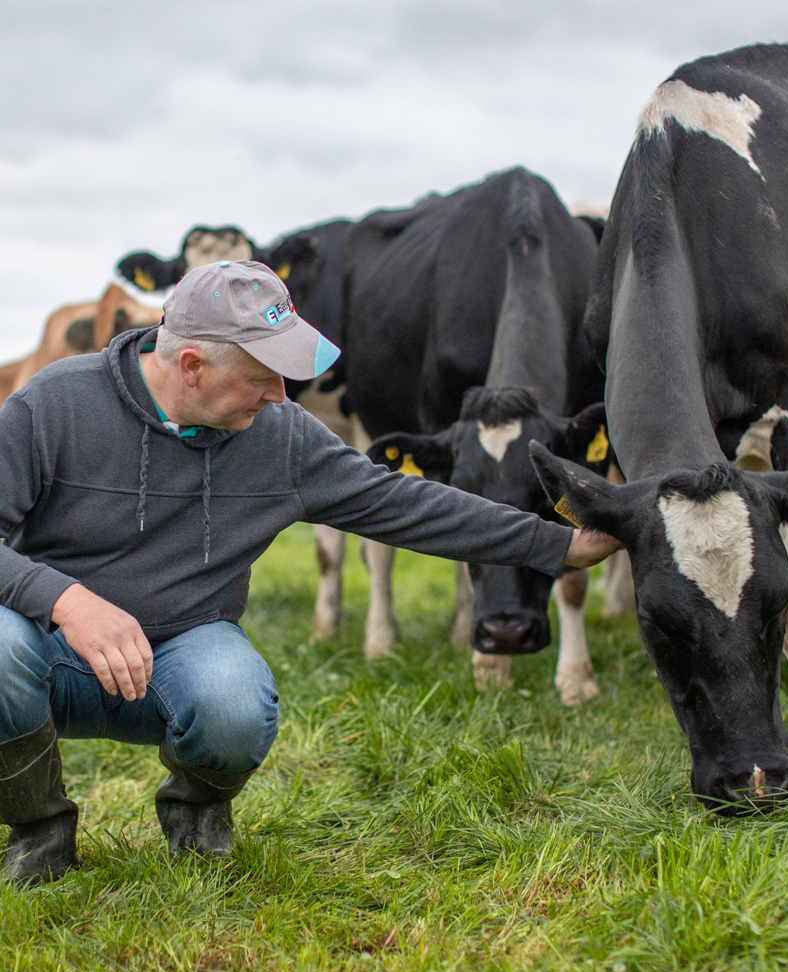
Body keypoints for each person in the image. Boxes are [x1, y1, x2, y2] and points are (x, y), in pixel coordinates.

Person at [0, 260, 619, 885]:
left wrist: (556, 544)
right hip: (47, 651)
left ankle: (196, 815)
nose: (281, 396)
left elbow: (407, 504)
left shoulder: (281, 437)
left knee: (238, 707)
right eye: (263, 377)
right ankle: (39, 831)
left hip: (179, 650)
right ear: (191, 366)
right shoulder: (56, 404)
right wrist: (68, 602)